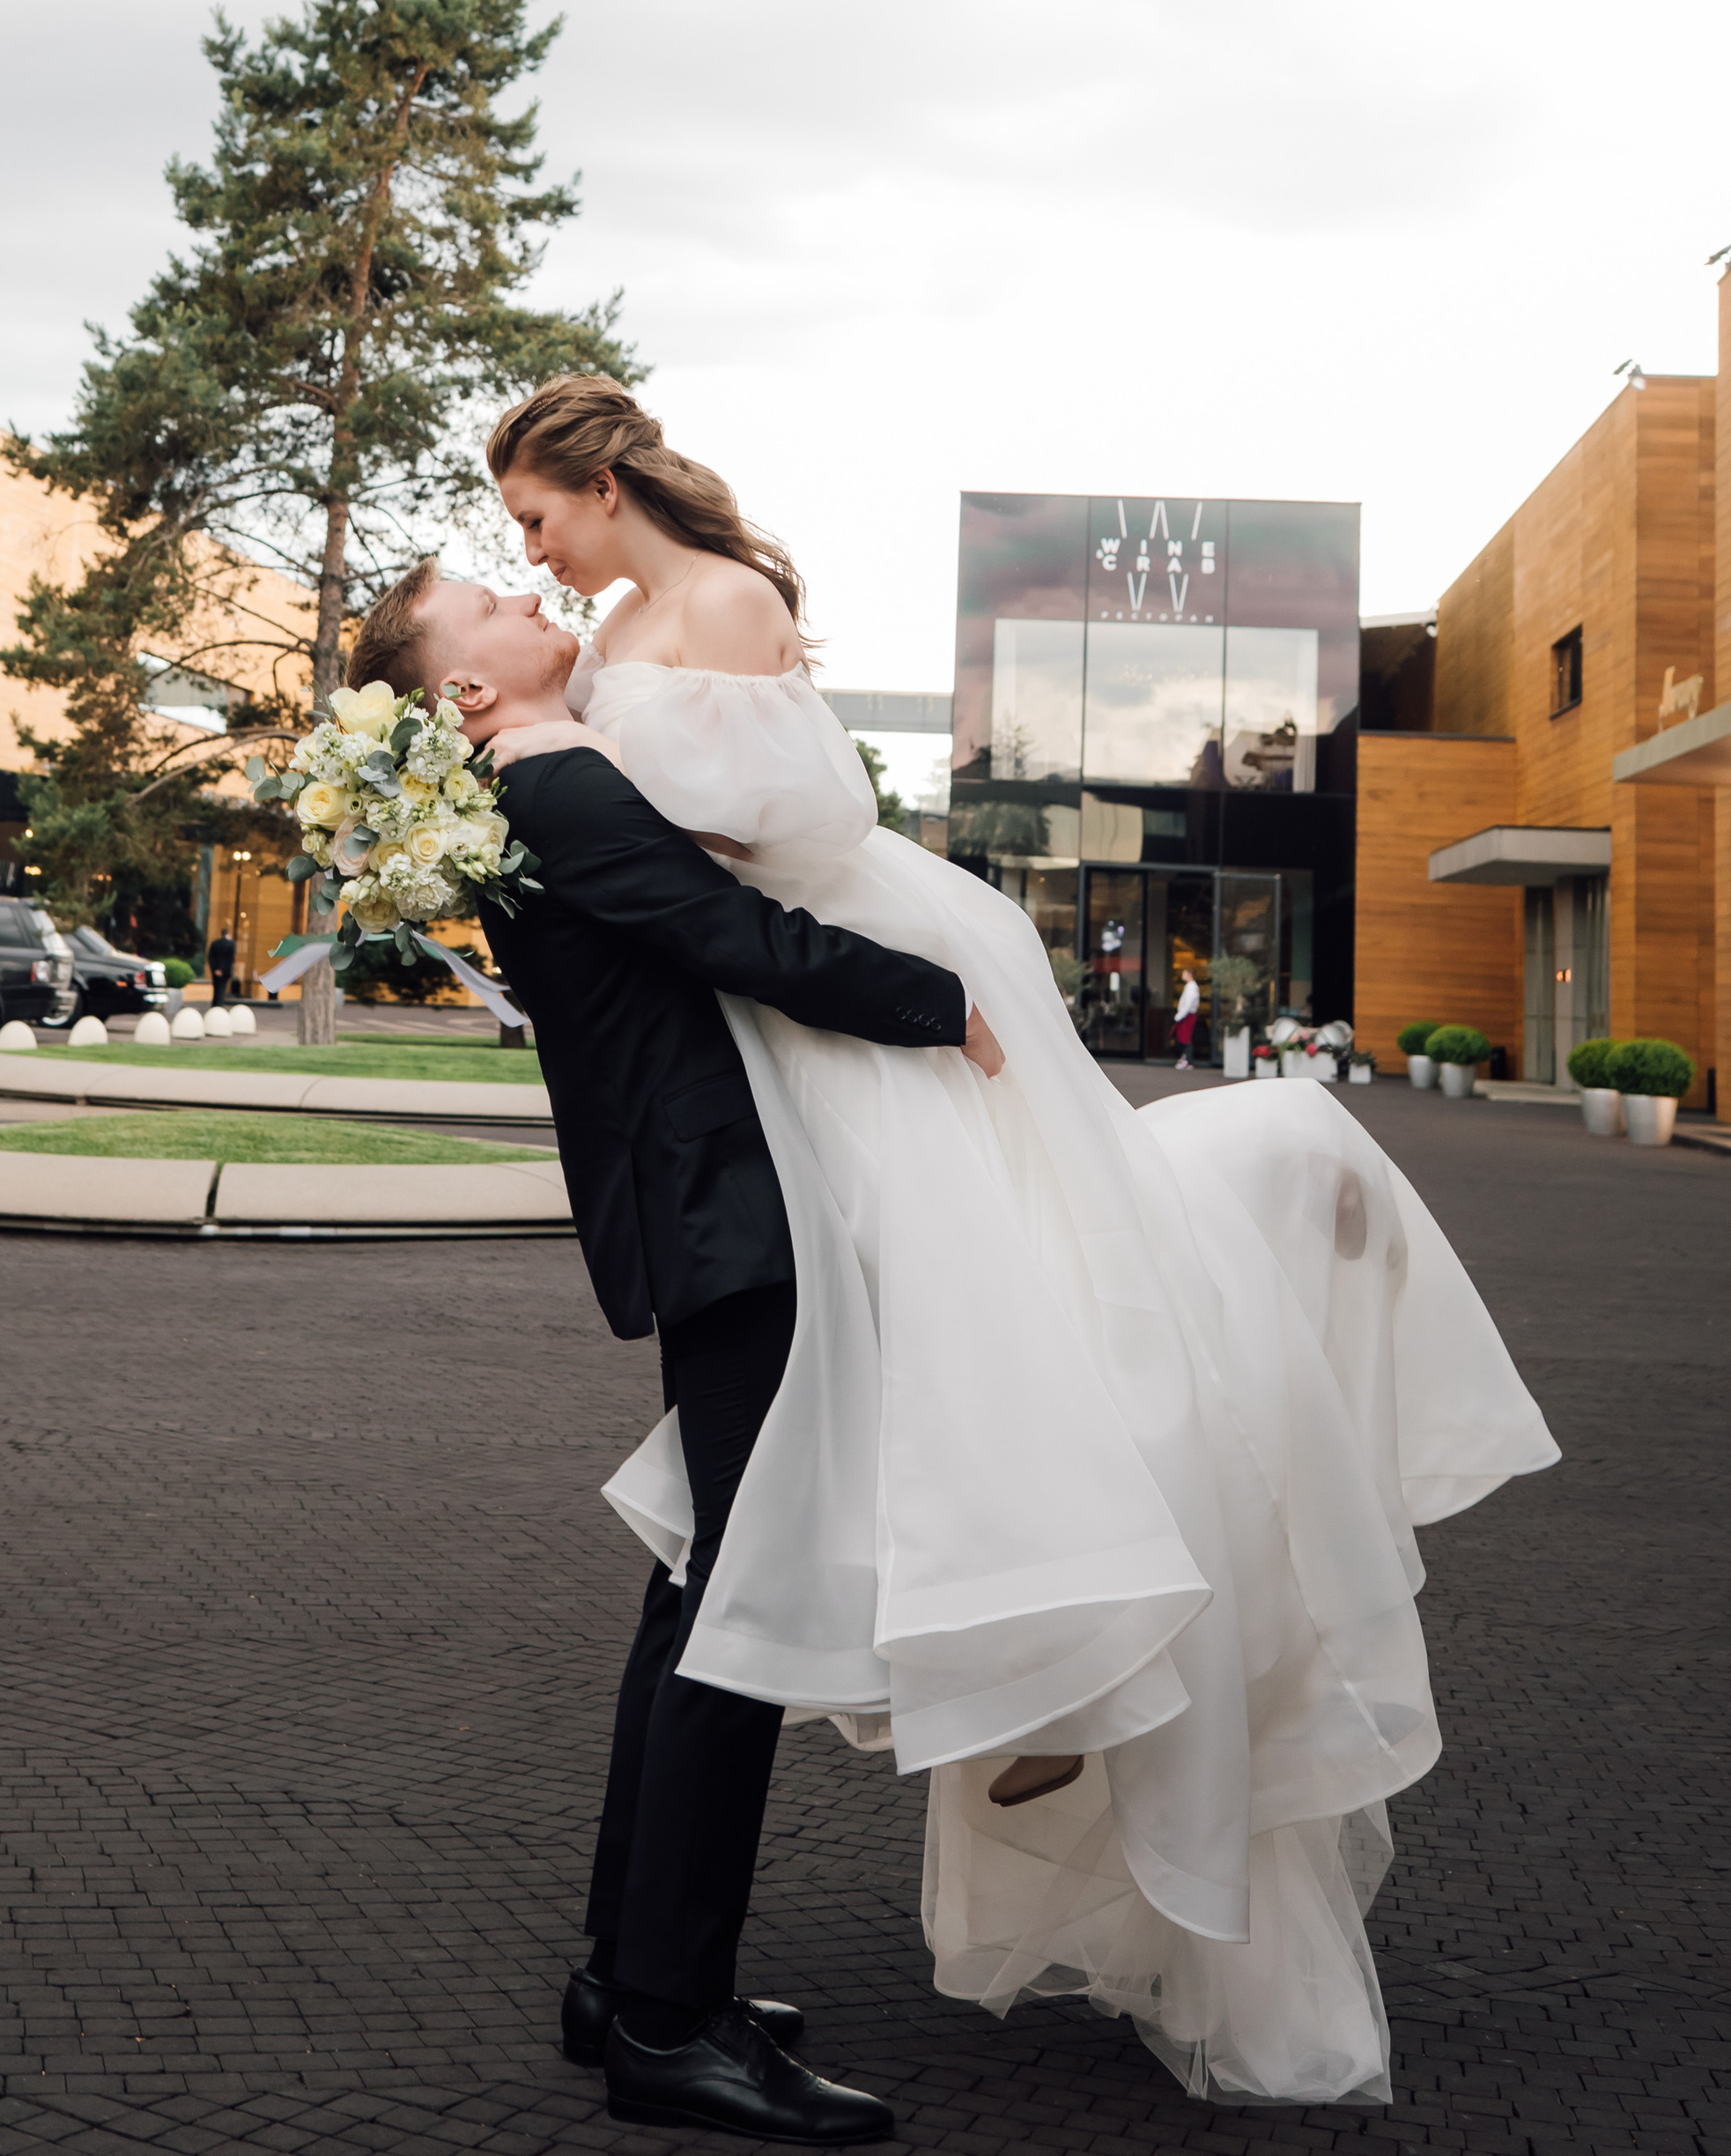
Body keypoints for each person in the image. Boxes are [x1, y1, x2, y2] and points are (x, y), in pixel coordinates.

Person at [442, 373, 1557, 2112]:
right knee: (761, 1552)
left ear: (596, 483)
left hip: (847, 1013)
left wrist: (911, 999)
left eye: (532, 519)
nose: (529, 556)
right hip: (803, 1053)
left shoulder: (686, 624)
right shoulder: (576, 699)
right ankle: (666, 1987)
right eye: (508, 551)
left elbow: (744, 872)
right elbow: (693, 905)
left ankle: (666, 1970)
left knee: (912, 1420)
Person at [347, 562, 984, 2146]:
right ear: (465, 693)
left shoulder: (534, 784)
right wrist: (948, 999)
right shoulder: (550, 779)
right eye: (486, 599)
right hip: (726, 1219)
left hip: (704, 1213)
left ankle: (621, 1976)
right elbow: (731, 935)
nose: (522, 589)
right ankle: (665, 2025)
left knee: (699, 1585)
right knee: (737, 1612)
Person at [1172, 968, 1202, 1070]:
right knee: (1183, 1037)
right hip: (1186, 1015)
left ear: (1189, 975)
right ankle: (1186, 1059)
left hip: (1187, 1015)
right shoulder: (1190, 986)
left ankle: (1187, 1060)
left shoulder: (1192, 987)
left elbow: (1188, 1004)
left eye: (1184, 973)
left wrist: (1179, 1016)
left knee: (1184, 1038)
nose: (1182, 976)